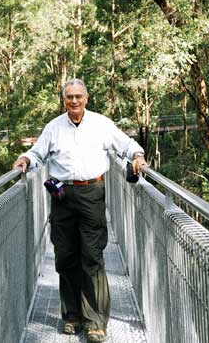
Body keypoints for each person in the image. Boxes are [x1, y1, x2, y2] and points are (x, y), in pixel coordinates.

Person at [13, 78, 146, 343]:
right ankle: (72, 315)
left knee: (92, 257)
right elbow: (38, 153)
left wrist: (137, 156)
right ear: (64, 100)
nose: (74, 101)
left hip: (92, 193)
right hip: (62, 195)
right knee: (65, 255)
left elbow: (126, 144)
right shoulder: (54, 127)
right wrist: (25, 159)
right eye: (69, 97)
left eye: (78, 96)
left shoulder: (101, 124)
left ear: (86, 98)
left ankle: (96, 322)